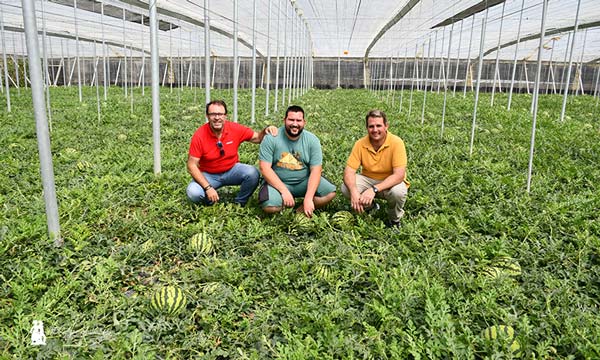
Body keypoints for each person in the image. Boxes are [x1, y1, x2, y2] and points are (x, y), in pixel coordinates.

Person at [186, 100, 277, 206]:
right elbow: (191, 165)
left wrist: (266, 130)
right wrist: (208, 187)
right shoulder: (199, 135)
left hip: (231, 170)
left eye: (220, 114)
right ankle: (210, 200)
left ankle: (239, 202)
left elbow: (257, 138)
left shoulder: (235, 128)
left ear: (225, 116)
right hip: (209, 175)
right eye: (213, 114)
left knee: (252, 173)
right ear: (207, 116)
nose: (217, 118)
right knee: (193, 192)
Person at [258, 105, 336, 217]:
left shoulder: (312, 140)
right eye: (291, 120)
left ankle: (299, 211)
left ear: (304, 122)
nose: (295, 124)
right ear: (284, 120)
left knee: (330, 193)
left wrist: (308, 199)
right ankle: (281, 201)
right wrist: (284, 191)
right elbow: (264, 168)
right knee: (269, 206)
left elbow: (316, 170)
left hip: (303, 182)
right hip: (278, 182)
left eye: (298, 120)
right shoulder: (271, 138)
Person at [341, 109, 409, 228]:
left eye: (379, 126)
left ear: (386, 126)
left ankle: (394, 220)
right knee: (346, 188)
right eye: (371, 126)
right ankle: (371, 207)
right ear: (367, 128)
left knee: (398, 192)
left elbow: (399, 175)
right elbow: (348, 171)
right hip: (368, 178)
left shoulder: (396, 143)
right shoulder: (360, 144)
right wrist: (354, 192)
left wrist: (373, 190)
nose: (375, 130)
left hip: (390, 181)